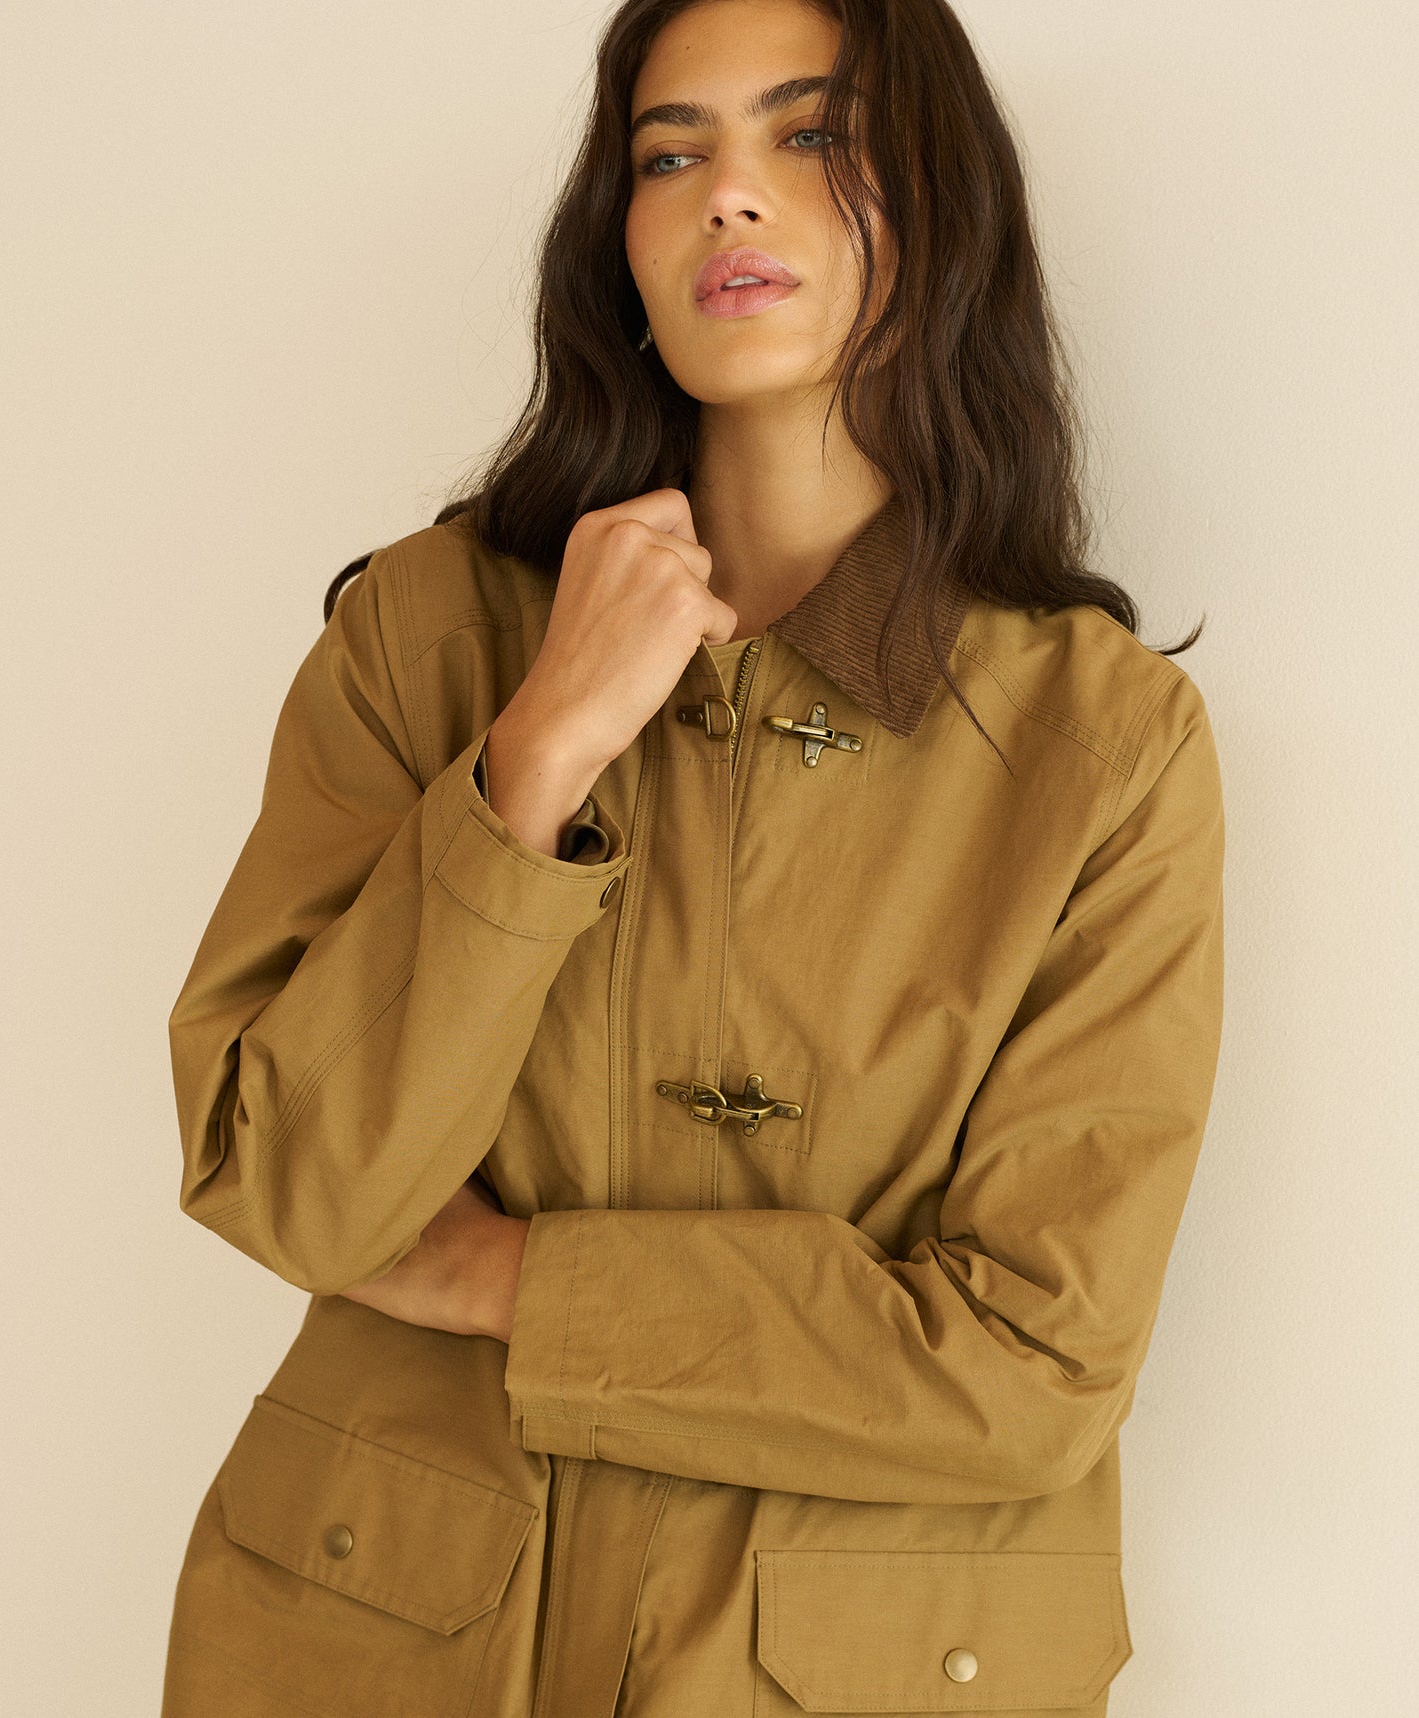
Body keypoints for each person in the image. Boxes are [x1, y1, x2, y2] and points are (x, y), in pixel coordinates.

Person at [159, 1, 1225, 1714]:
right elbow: (283, 1183)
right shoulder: (426, 639)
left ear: (944, 205)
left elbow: (1035, 1362)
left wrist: (515, 1280)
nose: (732, 194)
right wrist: (537, 758)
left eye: (811, 135)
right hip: (383, 1641)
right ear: (623, 244)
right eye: (674, 153)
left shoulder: (1101, 749)